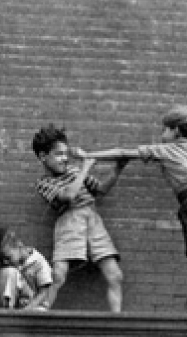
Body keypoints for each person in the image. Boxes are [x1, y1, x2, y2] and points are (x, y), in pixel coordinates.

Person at [81, 104, 187, 316]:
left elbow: (122, 153)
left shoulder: (164, 150)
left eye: (164, 129)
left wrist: (88, 155)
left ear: (176, 130)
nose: (161, 134)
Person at [32, 124, 128, 312]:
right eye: (58, 154)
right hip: (69, 222)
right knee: (58, 275)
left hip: (93, 219)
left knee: (115, 275)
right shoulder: (44, 183)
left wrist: (117, 169)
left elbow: (100, 190)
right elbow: (68, 196)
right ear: (43, 157)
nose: (65, 158)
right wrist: (84, 167)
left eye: (66, 153)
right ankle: (41, 311)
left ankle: (116, 322)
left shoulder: (75, 171)